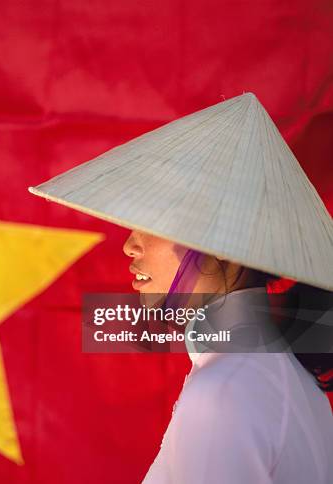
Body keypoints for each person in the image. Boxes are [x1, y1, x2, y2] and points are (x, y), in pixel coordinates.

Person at [28, 92, 333, 483]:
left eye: (153, 223)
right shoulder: (293, 381)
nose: (129, 245)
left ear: (226, 247)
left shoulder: (224, 391)